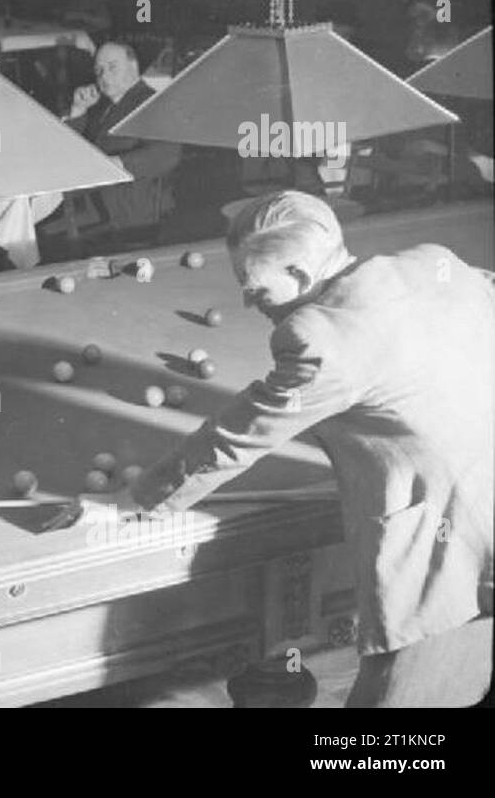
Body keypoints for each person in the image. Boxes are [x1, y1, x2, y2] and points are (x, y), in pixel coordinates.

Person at [119, 191, 493, 707]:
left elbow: (237, 437)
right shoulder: (432, 260)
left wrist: (139, 503)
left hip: (450, 541)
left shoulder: (319, 338)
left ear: (297, 275)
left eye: (255, 289)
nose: (250, 303)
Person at [65, 42, 181, 237]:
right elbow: (70, 149)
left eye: (112, 67)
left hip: (134, 218)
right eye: (99, 69)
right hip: (97, 209)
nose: (104, 76)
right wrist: (78, 110)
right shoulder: (103, 107)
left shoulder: (152, 103)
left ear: (133, 67)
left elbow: (167, 154)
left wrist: (114, 164)